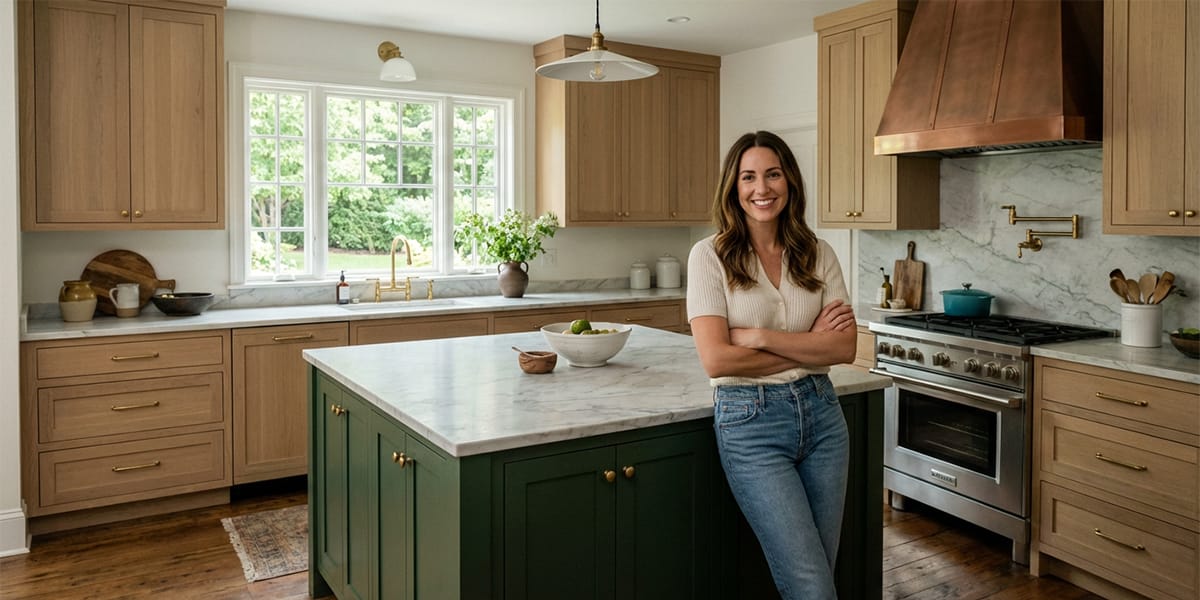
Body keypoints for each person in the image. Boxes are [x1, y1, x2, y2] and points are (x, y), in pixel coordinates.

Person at [686, 130, 857, 599]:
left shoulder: (819, 253)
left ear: (790, 181)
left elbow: (844, 348)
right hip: (751, 424)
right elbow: (717, 359)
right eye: (748, 177)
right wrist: (810, 343)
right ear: (733, 187)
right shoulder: (709, 257)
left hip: (823, 418)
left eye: (773, 174)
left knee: (819, 574)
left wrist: (762, 338)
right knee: (812, 585)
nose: (761, 188)